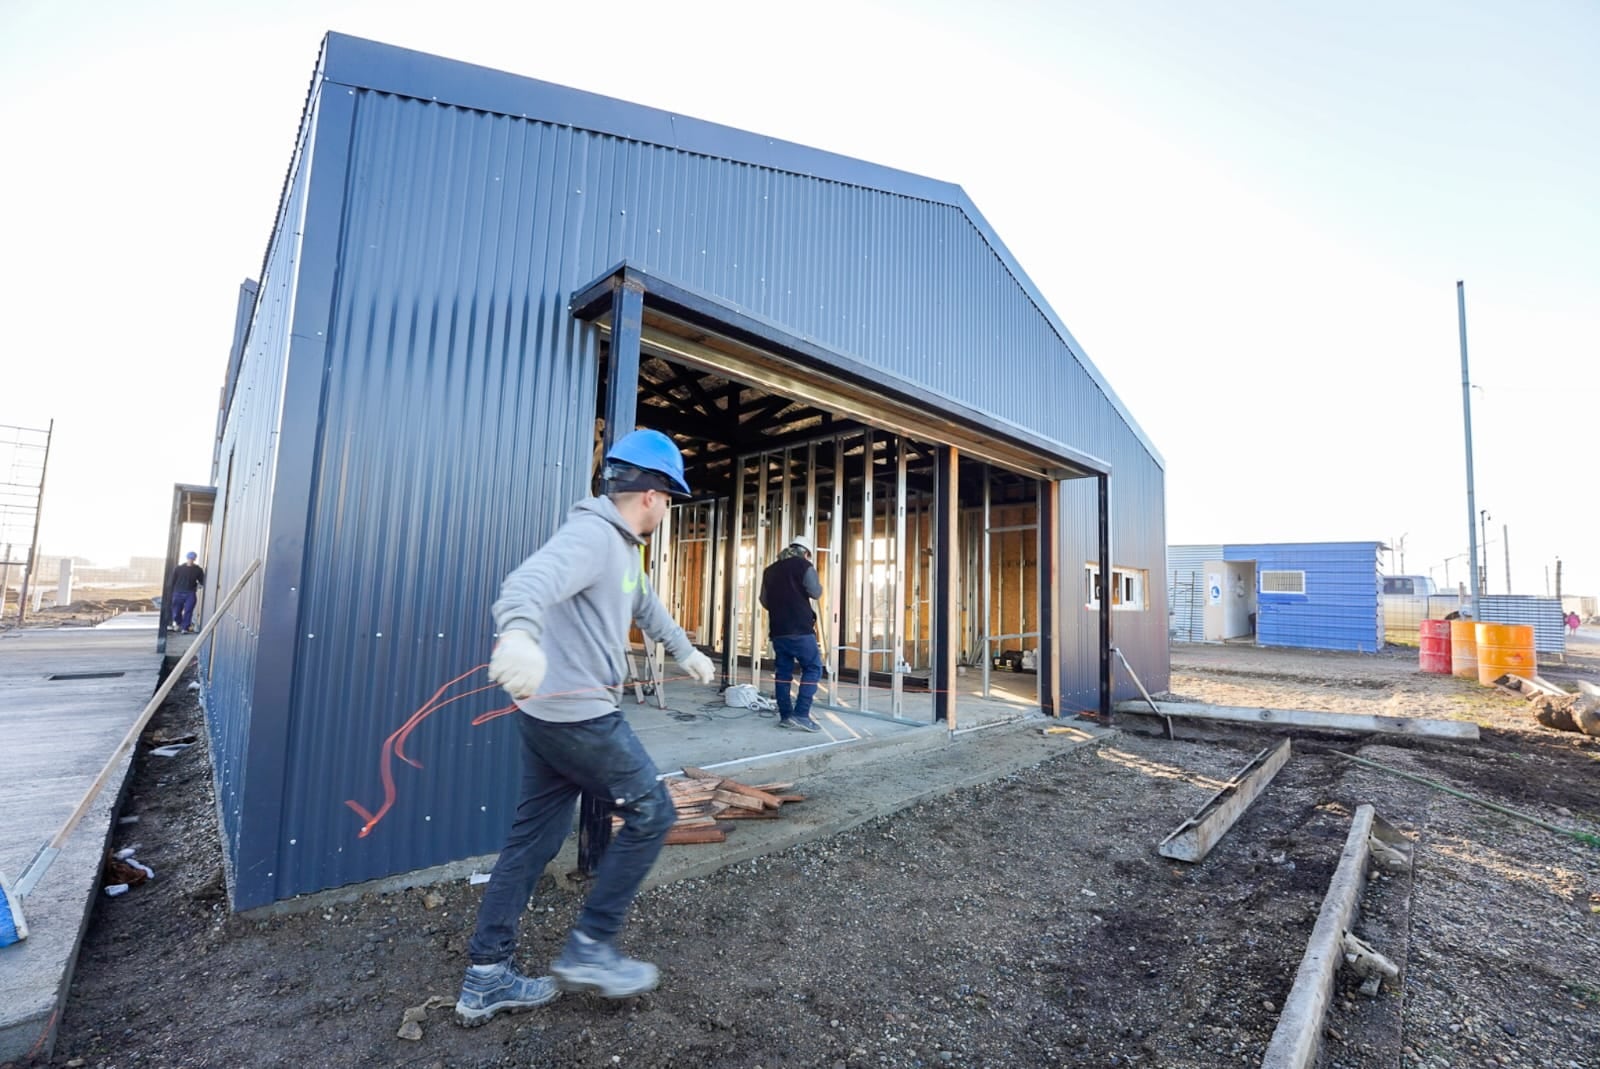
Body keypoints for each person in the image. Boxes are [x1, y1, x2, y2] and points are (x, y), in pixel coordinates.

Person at [456, 428, 715, 1028]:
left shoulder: (623, 550)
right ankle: (591, 948)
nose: (668, 509)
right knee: (654, 813)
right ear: (651, 495)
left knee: (532, 843)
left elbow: (644, 603)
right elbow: (526, 584)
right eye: (669, 498)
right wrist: (518, 633)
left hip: (546, 720)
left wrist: (685, 650)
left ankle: (485, 977)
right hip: (580, 719)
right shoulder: (593, 536)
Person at [759, 535, 825, 732]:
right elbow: (816, 592)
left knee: (783, 672)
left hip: (779, 631)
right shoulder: (804, 566)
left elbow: (764, 601)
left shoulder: (770, 570)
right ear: (805, 552)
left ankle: (786, 716)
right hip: (801, 630)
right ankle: (802, 715)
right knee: (813, 668)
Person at [168, 552, 204, 633]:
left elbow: (202, 580)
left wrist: (200, 585)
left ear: (195, 559)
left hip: (190, 592)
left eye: (192, 559)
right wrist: (171, 592)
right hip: (178, 592)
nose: (191, 560)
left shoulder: (198, 570)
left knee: (188, 610)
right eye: (189, 558)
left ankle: (185, 627)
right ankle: (178, 623)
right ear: (187, 558)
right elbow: (173, 580)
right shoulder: (179, 569)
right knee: (176, 611)